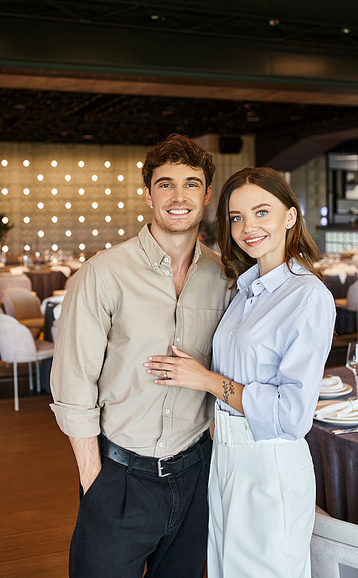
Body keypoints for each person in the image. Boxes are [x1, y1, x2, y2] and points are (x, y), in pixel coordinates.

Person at [50, 134, 234, 578]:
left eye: (191, 183)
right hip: (119, 477)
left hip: (195, 476)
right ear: (148, 193)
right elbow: (73, 384)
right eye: (165, 183)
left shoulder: (225, 276)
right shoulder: (102, 274)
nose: (178, 196)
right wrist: (95, 481)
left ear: (207, 194)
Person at [145, 167, 336, 578]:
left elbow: (291, 414)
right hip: (226, 459)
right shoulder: (245, 289)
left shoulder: (308, 297)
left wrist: (205, 380)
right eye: (236, 217)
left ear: (290, 216)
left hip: (270, 463)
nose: (248, 227)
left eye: (262, 212)